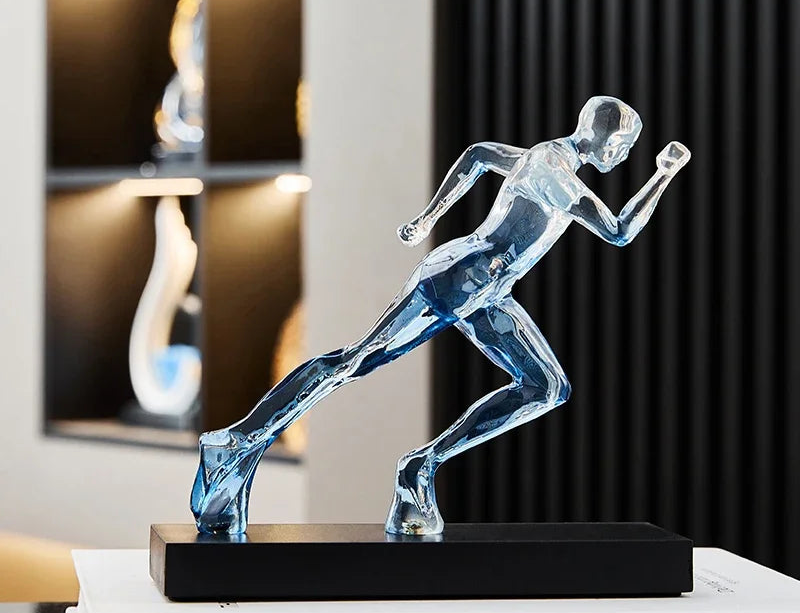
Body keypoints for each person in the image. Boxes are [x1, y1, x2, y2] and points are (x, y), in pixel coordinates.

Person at [191, 96, 690, 536]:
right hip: (457, 279)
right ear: (602, 137)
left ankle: (419, 468)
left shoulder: (546, 160)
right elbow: (619, 230)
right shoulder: (553, 171)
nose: (624, 155)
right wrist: (663, 174)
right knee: (357, 361)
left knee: (546, 388)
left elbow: (479, 154)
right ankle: (238, 440)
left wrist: (429, 216)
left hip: (489, 292)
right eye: (624, 145)